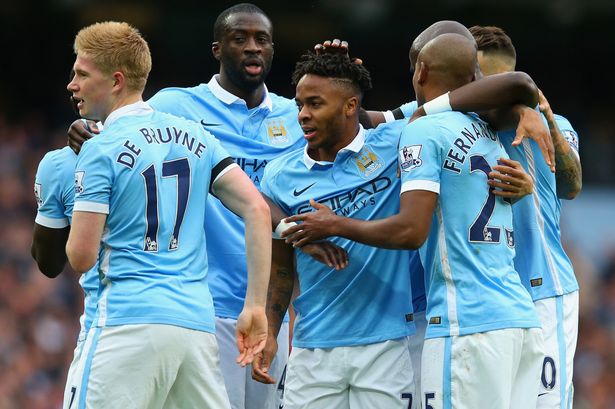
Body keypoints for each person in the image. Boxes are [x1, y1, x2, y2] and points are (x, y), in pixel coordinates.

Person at [281, 33, 545, 409]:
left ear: (420, 70)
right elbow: (520, 88)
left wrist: (335, 224)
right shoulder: (487, 126)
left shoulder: (423, 130)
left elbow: (411, 229)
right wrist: (340, 79)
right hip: (519, 316)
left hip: (465, 323)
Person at [64, 21, 270, 408]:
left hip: (125, 325)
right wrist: (254, 306)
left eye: (80, 74)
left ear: (116, 81)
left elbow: (81, 256)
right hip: (194, 330)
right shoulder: (196, 136)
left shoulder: (100, 148)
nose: (71, 84)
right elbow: (257, 209)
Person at [260, 51, 416, 409]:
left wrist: (529, 107)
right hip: (312, 348)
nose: (302, 115)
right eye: (300, 104)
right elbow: (281, 268)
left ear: (350, 106)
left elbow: (449, 102)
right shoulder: (280, 176)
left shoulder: (394, 144)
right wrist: (271, 332)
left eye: (315, 103)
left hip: (386, 345)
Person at [470, 24, 582, 409]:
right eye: (480, 81)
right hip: (486, 300)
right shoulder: (459, 129)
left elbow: (571, 186)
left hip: (544, 293)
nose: (492, 92)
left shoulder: (553, 126)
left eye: (500, 83)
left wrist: (542, 113)